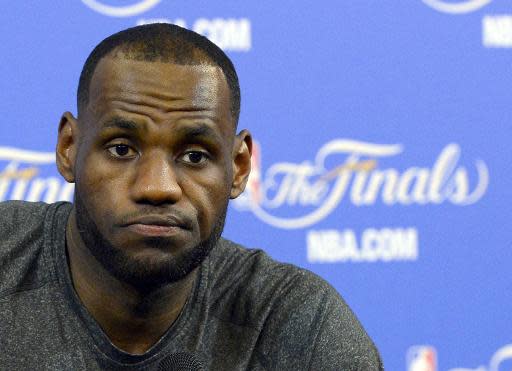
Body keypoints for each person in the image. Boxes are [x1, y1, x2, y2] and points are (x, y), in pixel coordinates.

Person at [0, 24, 383, 370]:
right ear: (69, 148)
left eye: (194, 156)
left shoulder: (296, 324)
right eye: (121, 149)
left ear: (239, 166)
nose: (157, 187)